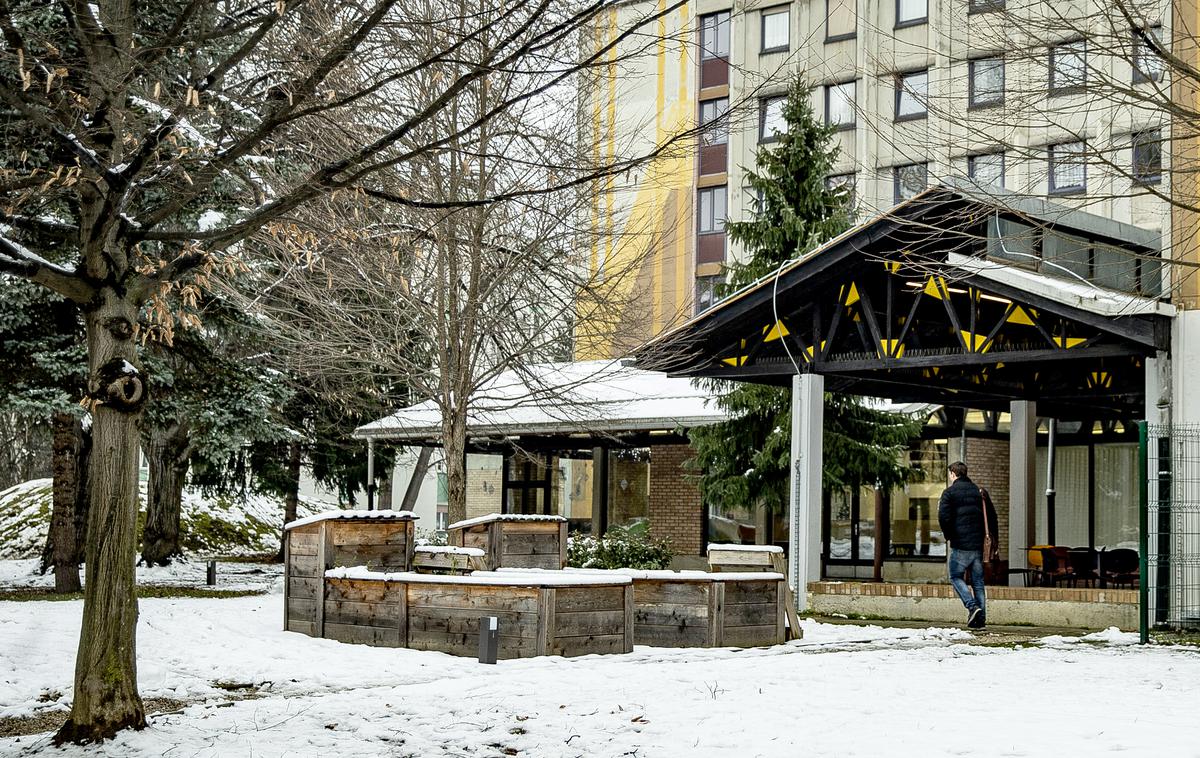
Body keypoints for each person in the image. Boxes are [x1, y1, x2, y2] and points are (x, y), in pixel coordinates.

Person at [937, 461, 991, 629]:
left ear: (953, 474)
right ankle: (980, 620)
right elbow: (989, 515)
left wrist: (949, 535)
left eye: (950, 474)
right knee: (978, 583)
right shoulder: (978, 491)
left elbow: (943, 517)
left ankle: (972, 606)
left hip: (960, 544)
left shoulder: (949, 493)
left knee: (955, 576)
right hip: (976, 545)